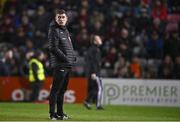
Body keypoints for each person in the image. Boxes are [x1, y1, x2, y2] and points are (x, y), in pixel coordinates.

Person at [48, 9, 76, 120]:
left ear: (66, 19)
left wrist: (73, 57)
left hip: (67, 64)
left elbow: (68, 46)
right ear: (55, 19)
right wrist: (66, 59)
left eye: (63, 17)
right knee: (55, 90)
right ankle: (52, 114)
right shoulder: (54, 30)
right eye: (59, 17)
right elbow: (53, 48)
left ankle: (60, 113)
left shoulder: (65, 30)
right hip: (60, 65)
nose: (61, 19)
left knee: (62, 90)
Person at [84, 34, 104, 110]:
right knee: (99, 88)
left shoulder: (93, 49)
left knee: (94, 88)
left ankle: (87, 101)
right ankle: (98, 105)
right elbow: (92, 62)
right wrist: (93, 72)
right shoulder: (94, 49)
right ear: (95, 41)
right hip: (95, 72)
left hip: (93, 72)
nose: (100, 39)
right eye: (99, 38)